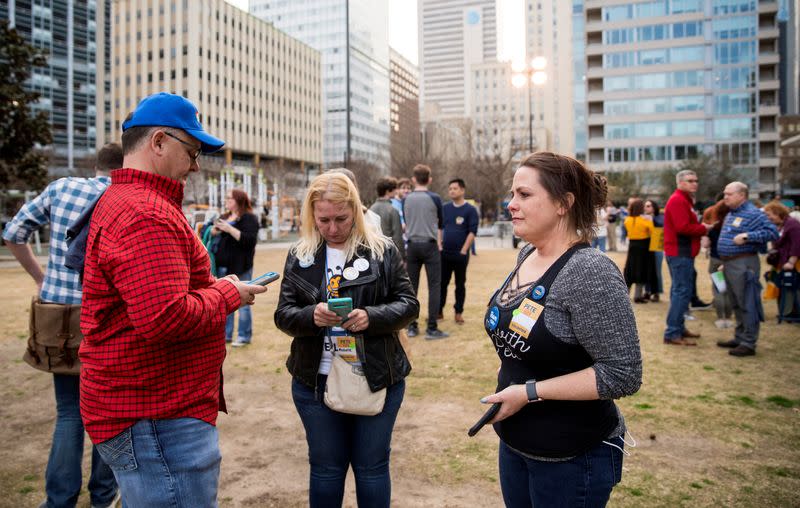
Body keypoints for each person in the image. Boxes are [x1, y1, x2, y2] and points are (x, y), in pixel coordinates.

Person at [79, 92, 268, 507]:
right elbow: (164, 318)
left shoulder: (133, 202)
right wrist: (226, 293)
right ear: (159, 142)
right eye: (193, 151)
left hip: (148, 407)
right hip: (154, 414)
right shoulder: (145, 212)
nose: (197, 165)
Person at [479, 152, 641, 507]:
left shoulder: (589, 271)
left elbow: (623, 374)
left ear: (563, 204)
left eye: (524, 195)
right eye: (512, 194)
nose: (511, 205)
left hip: (572, 457)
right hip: (516, 444)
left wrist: (529, 392)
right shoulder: (527, 255)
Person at [274, 172, 418, 508]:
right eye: (323, 220)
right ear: (311, 215)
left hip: (377, 376)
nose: (333, 228)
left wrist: (372, 317)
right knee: (325, 468)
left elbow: (409, 305)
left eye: (341, 218)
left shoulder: (382, 250)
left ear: (355, 209)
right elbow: (283, 315)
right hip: (315, 381)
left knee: (371, 468)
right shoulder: (301, 255)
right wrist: (311, 316)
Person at [2, 144, 123, 508]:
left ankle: (59, 499)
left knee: (68, 413)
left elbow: (14, 233)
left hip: (58, 318)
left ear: (97, 166)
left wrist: (42, 278)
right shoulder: (124, 196)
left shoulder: (61, 188)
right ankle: (103, 495)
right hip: (104, 319)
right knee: (108, 413)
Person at [715, 182, 778, 356]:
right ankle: (740, 336)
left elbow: (772, 233)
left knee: (747, 302)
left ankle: (749, 342)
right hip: (730, 263)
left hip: (744, 263)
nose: (725, 197)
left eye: (729, 194)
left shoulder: (753, 213)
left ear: (742, 195)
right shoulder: (732, 213)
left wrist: (748, 236)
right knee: (736, 302)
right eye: (725, 193)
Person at [662, 170, 713, 346]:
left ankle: (678, 328)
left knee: (681, 292)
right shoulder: (678, 200)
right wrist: (704, 228)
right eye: (690, 180)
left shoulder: (684, 200)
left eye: (696, 180)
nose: (695, 183)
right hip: (679, 252)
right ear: (680, 183)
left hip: (682, 252)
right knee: (681, 292)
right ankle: (673, 332)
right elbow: (682, 227)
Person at [403, 164, 449, 339]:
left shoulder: (406, 199)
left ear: (413, 179)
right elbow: (441, 224)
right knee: (434, 286)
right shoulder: (435, 198)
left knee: (411, 287)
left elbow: (407, 222)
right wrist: (439, 243)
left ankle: (412, 326)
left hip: (412, 245)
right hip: (430, 245)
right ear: (430, 179)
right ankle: (432, 327)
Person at [211, 188, 260, 347]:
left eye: (229, 198)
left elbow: (249, 241)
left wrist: (229, 229)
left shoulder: (249, 219)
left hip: (241, 267)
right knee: (225, 301)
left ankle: (244, 336)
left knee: (244, 302)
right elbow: (209, 232)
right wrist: (212, 231)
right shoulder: (224, 216)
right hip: (221, 268)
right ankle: (226, 335)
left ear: (239, 200)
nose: (226, 201)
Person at [439, 178, 479, 324]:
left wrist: (463, 250)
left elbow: (472, 232)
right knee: (442, 283)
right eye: (450, 189)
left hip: (460, 255)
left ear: (462, 190)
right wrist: (439, 245)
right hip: (445, 253)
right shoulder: (445, 208)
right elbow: (440, 227)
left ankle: (458, 312)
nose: (452, 191)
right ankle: (439, 311)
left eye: (454, 188)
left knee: (460, 284)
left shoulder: (470, 210)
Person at [763, 201, 800, 318]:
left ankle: (793, 312)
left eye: (769, 215)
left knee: (793, 286)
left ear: (778, 212)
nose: (768, 218)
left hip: (794, 263)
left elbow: (797, 244)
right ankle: (786, 311)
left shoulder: (792, 224)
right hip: (781, 262)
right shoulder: (780, 225)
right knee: (782, 286)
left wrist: (791, 261)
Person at [703, 200, 735, 328]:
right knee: (728, 290)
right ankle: (728, 317)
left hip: (716, 260)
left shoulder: (714, 227)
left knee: (718, 290)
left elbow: (705, 244)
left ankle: (721, 318)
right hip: (731, 261)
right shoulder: (734, 226)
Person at [623, 198, 658, 303]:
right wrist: (650, 221)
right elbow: (653, 232)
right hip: (643, 247)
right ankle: (638, 296)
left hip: (632, 246)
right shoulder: (645, 220)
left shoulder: (627, 220)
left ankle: (625, 295)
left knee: (630, 270)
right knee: (641, 270)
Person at [370, 176, 405, 259]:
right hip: (389, 254)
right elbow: (397, 237)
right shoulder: (393, 211)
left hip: (374, 253)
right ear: (388, 191)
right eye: (394, 189)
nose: (396, 191)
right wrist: (402, 257)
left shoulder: (371, 209)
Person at [644, 199, 664, 302]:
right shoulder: (643, 217)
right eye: (645, 206)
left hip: (656, 243)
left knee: (657, 269)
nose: (646, 208)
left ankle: (656, 292)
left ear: (653, 207)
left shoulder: (659, 217)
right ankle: (647, 291)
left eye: (648, 206)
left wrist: (651, 220)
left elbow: (661, 225)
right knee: (646, 269)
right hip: (646, 244)